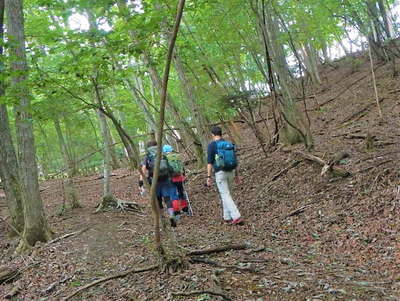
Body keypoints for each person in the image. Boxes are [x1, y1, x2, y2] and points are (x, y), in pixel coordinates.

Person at [206, 126, 243, 225]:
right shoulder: (228, 144)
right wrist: (237, 175)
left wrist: (208, 177)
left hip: (220, 173)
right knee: (227, 194)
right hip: (231, 171)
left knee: (225, 194)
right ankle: (227, 217)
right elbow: (235, 160)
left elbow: (209, 163)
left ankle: (236, 216)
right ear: (221, 133)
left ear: (212, 135)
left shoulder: (211, 145)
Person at [139, 140, 179, 227]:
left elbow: (144, 169)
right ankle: (171, 214)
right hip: (166, 179)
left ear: (148, 147)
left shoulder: (148, 155)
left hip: (154, 181)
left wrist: (141, 182)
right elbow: (169, 166)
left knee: (158, 200)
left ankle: (162, 219)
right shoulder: (162, 153)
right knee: (167, 199)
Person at [162, 144, 189, 216]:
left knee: (173, 194)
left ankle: (176, 210)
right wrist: (183, 175)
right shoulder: (177, 156)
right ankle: (185, 208)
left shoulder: (165, 158)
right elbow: (182, 167)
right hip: (179, 177)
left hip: (171, 179)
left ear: (164, 151)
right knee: (181, 192)